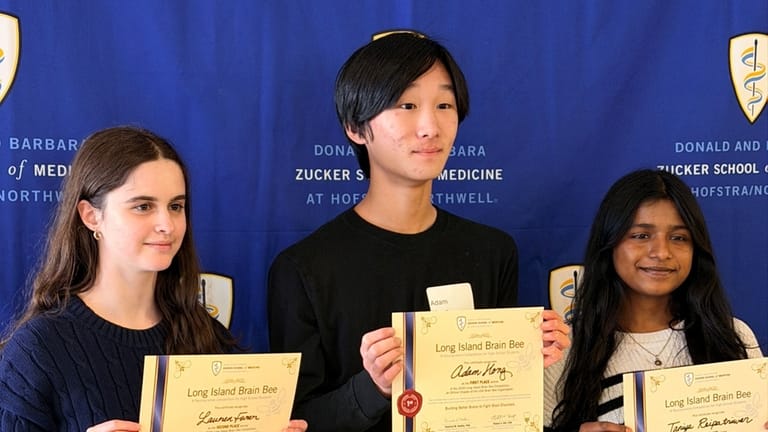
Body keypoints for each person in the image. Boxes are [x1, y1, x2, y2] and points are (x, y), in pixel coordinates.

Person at [268, 31, 571, 432]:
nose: (430, 126)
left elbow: (497, 408)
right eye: (406, 105)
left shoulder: (492, 252)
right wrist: (372, 388)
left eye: (444, 105)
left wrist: (526, 359)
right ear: (356, 127)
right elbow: (294, 420)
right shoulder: (302, 270)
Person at [0, 126, 308, 432]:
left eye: (176, 206)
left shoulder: (204, 334)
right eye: (143, 206)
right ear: (92, 216)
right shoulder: (36, 351)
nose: (167, 225)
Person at [544, 169, 766, 432]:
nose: (661, 252)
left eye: (679, 238)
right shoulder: (562, 348)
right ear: (609, 243)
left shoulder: (732, 335)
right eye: (641, 235)